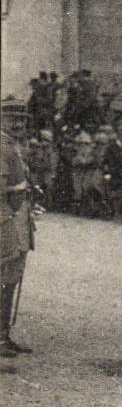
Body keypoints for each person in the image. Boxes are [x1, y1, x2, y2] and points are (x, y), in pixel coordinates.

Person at [2, 132, 36, 356]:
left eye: (22, 120)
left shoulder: (15, 147)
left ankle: (3, 334)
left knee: (11, 277)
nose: (19, 125)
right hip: (7, 222)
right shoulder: (3, 147)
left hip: (20, 222)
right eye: (12, 118)